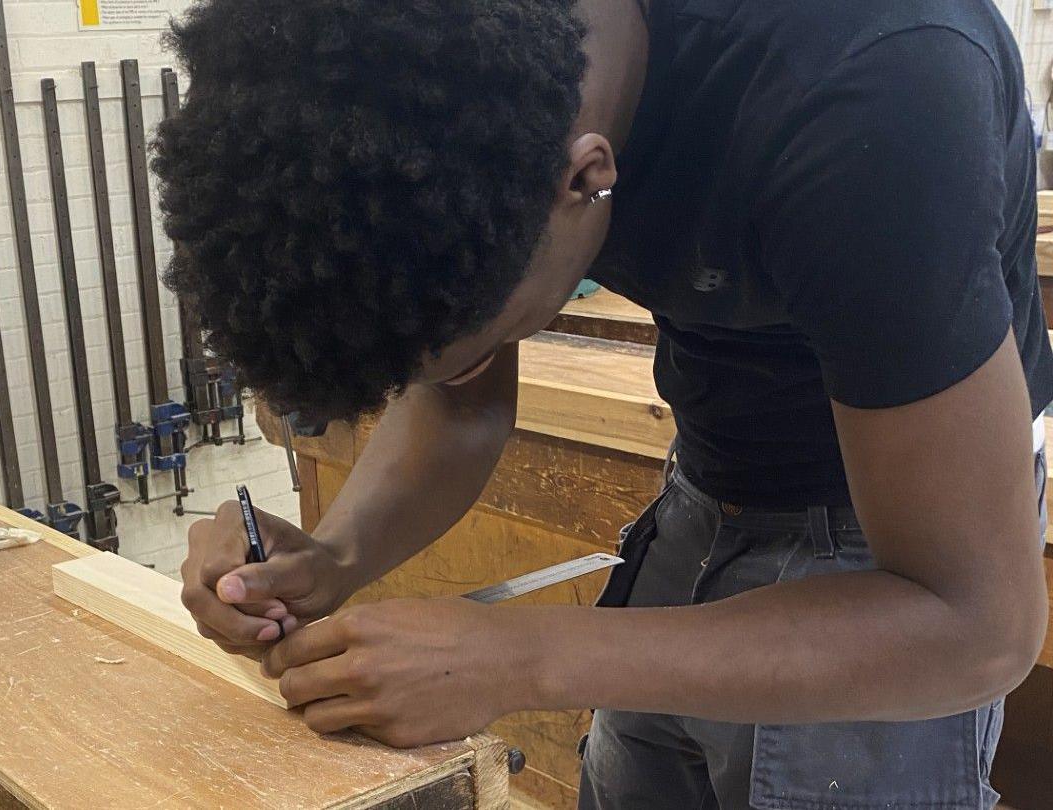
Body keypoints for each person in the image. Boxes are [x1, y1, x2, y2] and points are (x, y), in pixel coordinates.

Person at [153, 1, 1053, 807]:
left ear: (586, 178)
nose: (455, 376)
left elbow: (975, 624)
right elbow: (462, 403)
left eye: (471, 341)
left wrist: (523, 657)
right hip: (708, 486)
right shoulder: (476, 88)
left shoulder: (875, 85)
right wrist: (335, 555)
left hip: (902, 554)